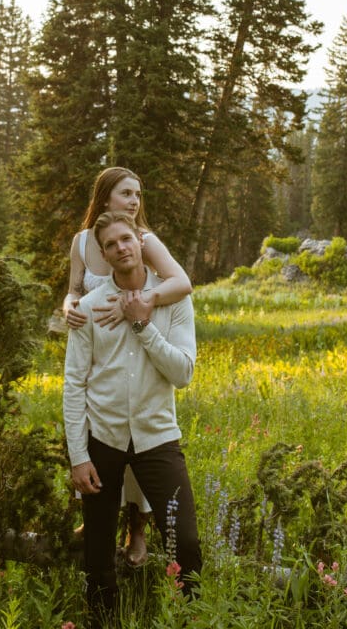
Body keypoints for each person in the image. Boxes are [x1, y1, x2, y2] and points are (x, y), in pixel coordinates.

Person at [63, 210, 202, 627]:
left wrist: (143, 324)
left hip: (157, 438)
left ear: (140, 242)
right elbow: (74, 385)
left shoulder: (174, 300)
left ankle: (188, 616)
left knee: (187, 543)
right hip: (101, 440)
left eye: (126, 239)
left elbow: (182, 374)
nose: (120, 248)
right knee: (98, 552)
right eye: (110, 244)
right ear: (103, 255)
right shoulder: (88, 308)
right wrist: (77, 455)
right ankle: (102, 620)